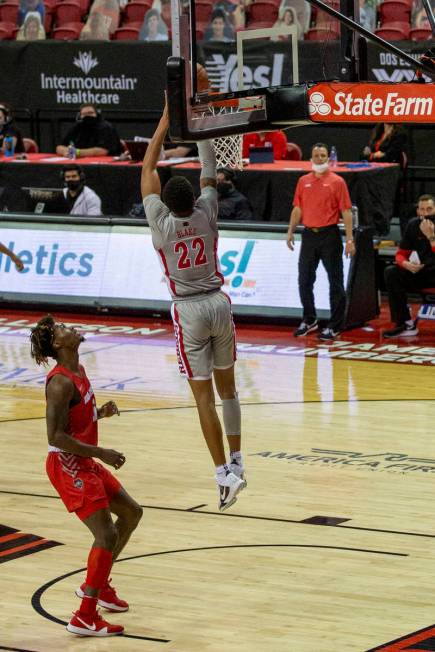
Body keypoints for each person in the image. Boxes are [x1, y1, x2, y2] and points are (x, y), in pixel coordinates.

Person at [141, 100, 246, 512]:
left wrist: (167, 118)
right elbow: (207, 172)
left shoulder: (161, 225)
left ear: (165, 204)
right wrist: (201, 126)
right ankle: (238, 460)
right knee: (230, 391)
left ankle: (223, 474)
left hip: (188, 310)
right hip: (219, 303)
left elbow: (148, 170)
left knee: (203, 399)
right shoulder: (207, 213)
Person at [29, 315, 143, 637]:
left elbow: (74, 420)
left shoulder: (79, 370)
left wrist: (97, 413)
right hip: (68, 465)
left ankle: (100, 584)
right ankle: (84, 616)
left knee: (132, 513)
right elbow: (55, 436)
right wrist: (101, 452)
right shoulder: (60, 382)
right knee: (105, 535)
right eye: (62, 329)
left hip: (83, 461)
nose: (69, 328)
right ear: (58, 344)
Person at [287, 142, 355, 340]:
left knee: (336, 281)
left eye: (323, 155)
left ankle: (335, 324)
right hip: (309, 234)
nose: (319, 159)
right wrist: (290, 230)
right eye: (316, 155)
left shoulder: (337, 182)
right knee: (304, 280)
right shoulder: (303, 181)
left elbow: (346, 211)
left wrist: (350, 239)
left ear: (328, 158)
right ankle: (309, 319)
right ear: (311, 158)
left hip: (329, 235)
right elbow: (297, 207)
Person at [383, 194, 435, 338]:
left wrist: (431, 237)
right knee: (391, 272)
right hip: (423, 272)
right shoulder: (413, 225)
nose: (425, 213)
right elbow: (400, 253)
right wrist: (406, 264)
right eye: (422, 210)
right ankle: (404, 323)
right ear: (417, 211)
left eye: (429, 209)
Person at [56, 103, 122, 158]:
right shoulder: (77, 127)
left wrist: (77, 152)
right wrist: (66, 152)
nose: (87, 116)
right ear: (80, 115)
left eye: (90, 113)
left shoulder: (105, 127)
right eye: (84, 114)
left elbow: (102, 151)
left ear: (97, 114)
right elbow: (59, 147)